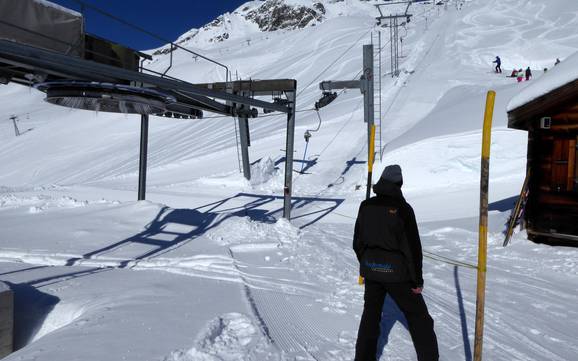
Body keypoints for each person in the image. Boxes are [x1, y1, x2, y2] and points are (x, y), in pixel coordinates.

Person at [353, 165, 439, 361]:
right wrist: (417, 281)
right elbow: (412, 249)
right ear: (399, 184)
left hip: (372, 271)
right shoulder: (403, 209)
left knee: (371, 315)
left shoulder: (366, 206)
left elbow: (357, 242)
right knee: (420, 319)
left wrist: (368, 262)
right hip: (397, 275)